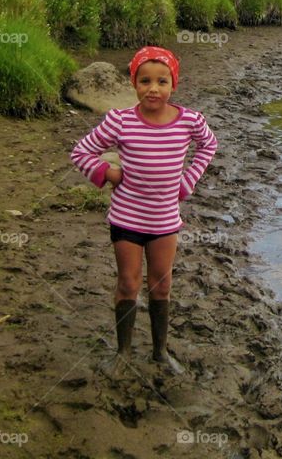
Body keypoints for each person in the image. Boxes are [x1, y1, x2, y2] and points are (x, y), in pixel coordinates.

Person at [71, 46, 218, 376]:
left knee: (161, 285)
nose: (154, 88)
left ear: (173, 85)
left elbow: (209, 144)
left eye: (162, 81)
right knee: (128, 282)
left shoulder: (189, 121)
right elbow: (81, 151)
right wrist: (107, 173)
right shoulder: (119, 121)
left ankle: (159, 352)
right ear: (134, 84)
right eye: (145, 81)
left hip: (165, 221)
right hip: (126, 218)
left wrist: (188, 181)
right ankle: (122, 352)